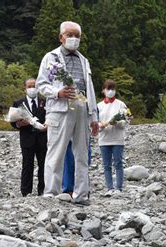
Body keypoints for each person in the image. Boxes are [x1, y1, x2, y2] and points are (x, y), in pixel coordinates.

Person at [36, 21, 99, 205]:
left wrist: (94, 116)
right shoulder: (51, 57)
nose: (73, 39)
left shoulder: (84, 60)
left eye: (77, 36)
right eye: (69, 35)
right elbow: (41, 84)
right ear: (61, 37)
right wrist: (57, 92)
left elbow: (90, 89)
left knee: (82, 153)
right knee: (56, 150)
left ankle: (81, 194)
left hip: (82, 107)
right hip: (60, 107)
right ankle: (51, 192)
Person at [11, 78, 47, 197]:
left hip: (42, 138)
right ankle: (26, 191)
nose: (32, 88)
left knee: (44, 165)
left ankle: (43, 190)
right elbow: (13, 121)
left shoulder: (44, 101)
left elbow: (50, 117)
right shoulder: (18, 103)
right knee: (27, 165)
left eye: (34, 86)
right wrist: (18, 124)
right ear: (25, 88)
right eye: (29, 86)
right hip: (27, 138)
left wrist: (47, 125)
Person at [97, 79, 129, 196]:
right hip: (104, 139)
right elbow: (94, 124)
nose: (110, 91)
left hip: (117, 138)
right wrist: (102, 125)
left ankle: (119, 188)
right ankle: (109, 188)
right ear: (103, 90)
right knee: (106, 165)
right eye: (108, 89)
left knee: (118, 163)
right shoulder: (98, 106)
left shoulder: (121, 104)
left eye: (113, 89)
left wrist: (117, 123)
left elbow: (126, 121)